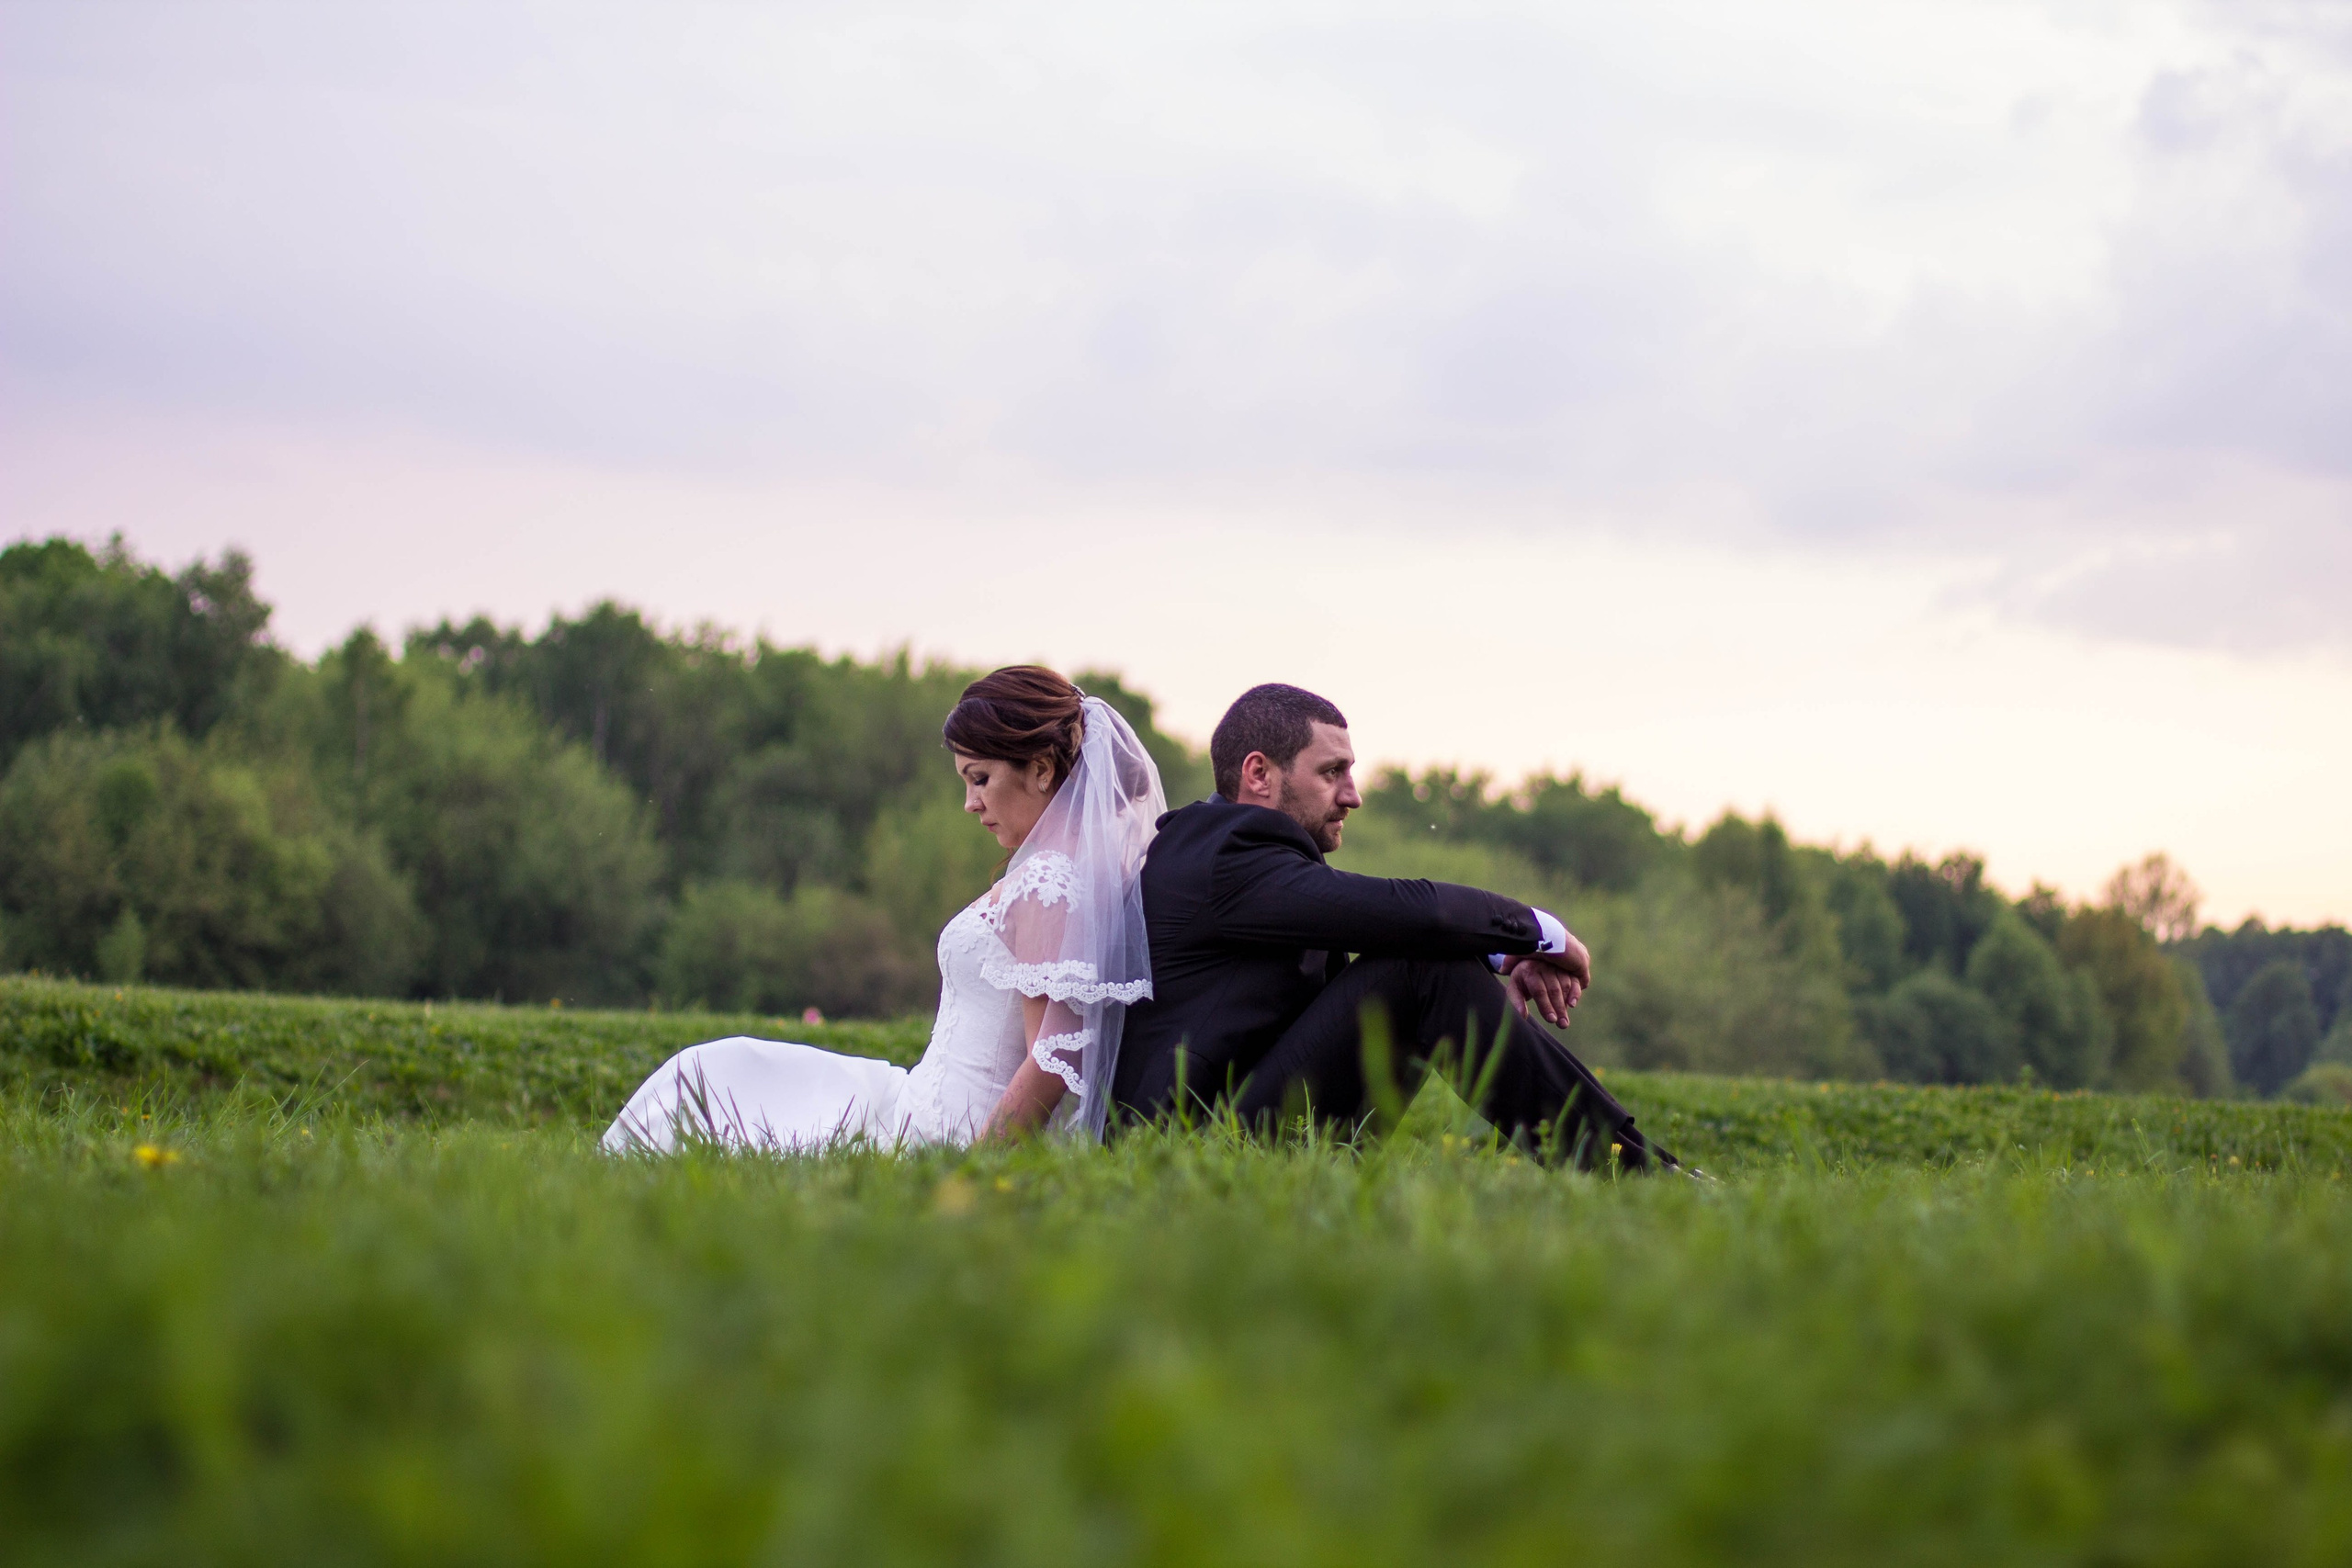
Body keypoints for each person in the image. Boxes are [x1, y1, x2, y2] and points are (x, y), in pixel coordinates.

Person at [1113, 682, 1679, 1171]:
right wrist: (1542, 933)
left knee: (1424, 953)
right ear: (1259, 773)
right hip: (1191, 1150)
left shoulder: (1233, 854)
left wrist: (1500, 957)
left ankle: (1635, 1163)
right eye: (1332, 772)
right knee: (1419, 963)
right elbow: (1415, 913)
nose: (1353, 796)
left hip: (1235, 1127)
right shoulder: (1227, 851)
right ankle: (1630, 1170)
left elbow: (1388, 924)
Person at [604, 666, 1165, 1154]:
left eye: (980, 779)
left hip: (943, 1133)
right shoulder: (1056, 872)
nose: (970, 803)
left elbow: (1055, 1056)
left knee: (719, 1085)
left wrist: (977, 1166)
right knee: (724, 1069)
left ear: (1041, 769)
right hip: (916, 1097)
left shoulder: (1050, 883)